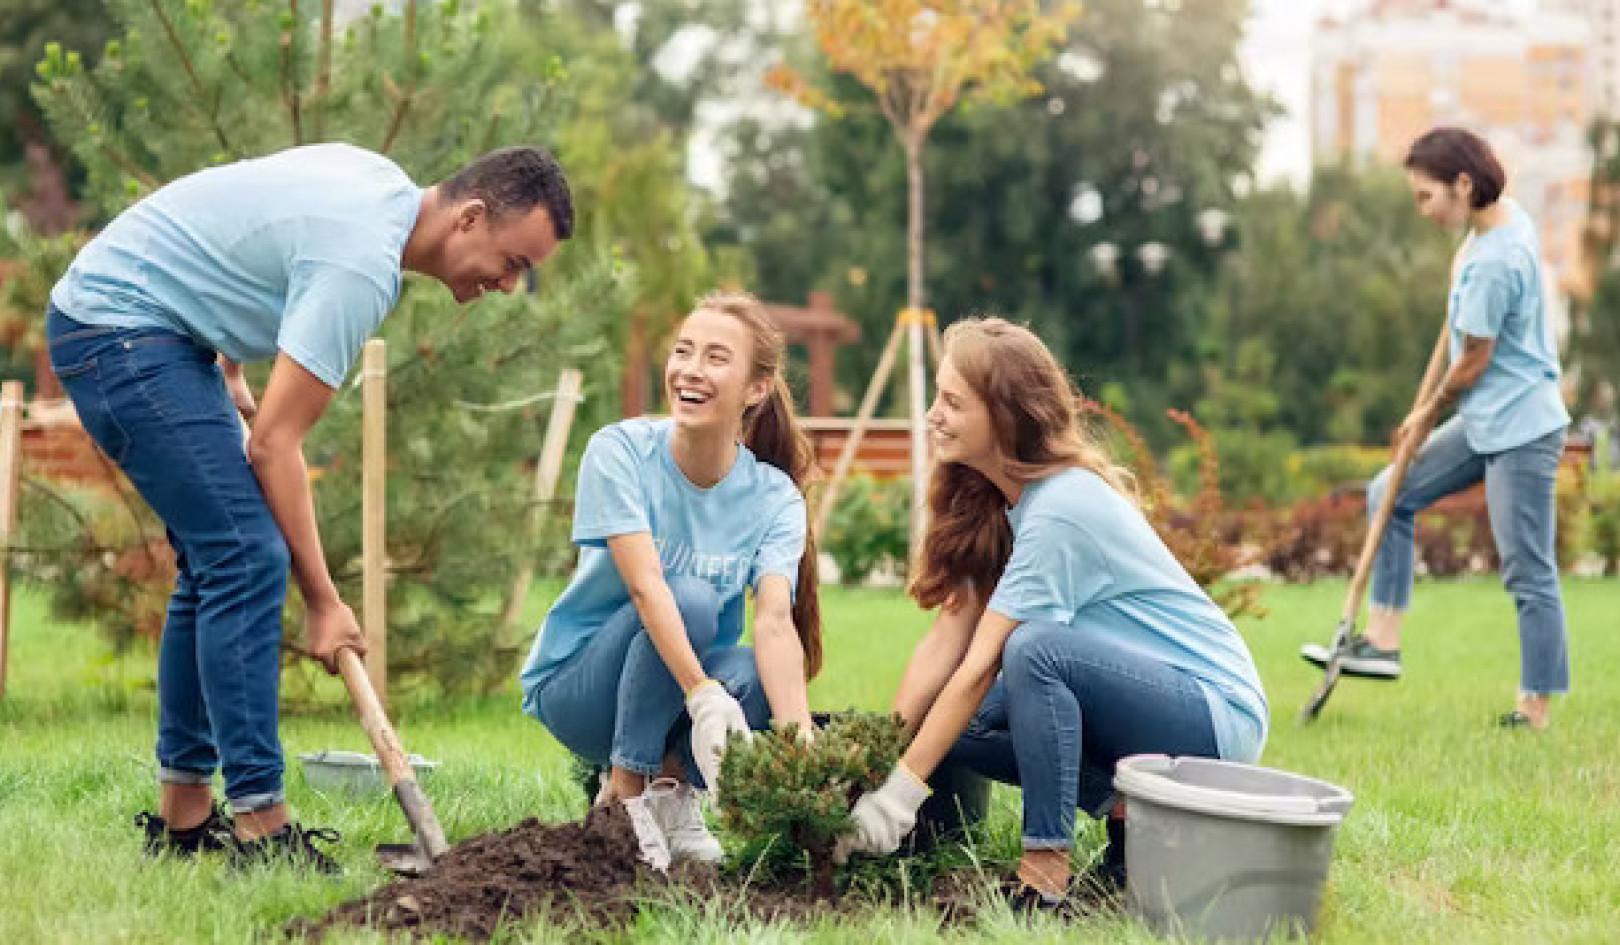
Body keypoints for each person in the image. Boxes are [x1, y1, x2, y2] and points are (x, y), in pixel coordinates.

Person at [46, 143, 574, 871]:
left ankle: (184, 821)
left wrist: (228, 358)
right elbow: (274, 447)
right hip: (122, 328)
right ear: (471, 217)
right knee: (246, 555)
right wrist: (324, 603)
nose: (511, 285)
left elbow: (247, 220)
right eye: (513, 261)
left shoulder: (380, 185)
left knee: (215, 561)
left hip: (148, 323)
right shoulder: (362, 264)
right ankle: (262, 828)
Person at [832, 318, 1269, 909]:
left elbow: (982, 664)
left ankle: (1045, 868)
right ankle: (1130, 821)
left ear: (1005, 418)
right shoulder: (999, 502)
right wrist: (872, 763)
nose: (933, 414)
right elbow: (947, 640)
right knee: (959, 720)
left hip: (1213, 714)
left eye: (953, 403)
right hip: (1145, 711)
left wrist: (897, 799)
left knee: (1035, 652)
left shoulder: (1061, 508)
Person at [518, 290, 821, 869]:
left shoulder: (774, 497)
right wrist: (703, 693)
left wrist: (799, 752)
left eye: (715, 357)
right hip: (582, 689)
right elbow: (646, 588)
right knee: (691, 598)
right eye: (683, 352)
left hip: (671, 689)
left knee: (760, 673)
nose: (690, 370)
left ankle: (670, 791)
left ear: (756, 389)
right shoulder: (621, 451)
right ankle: (623, 799)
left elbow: (776, 623)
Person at [1301, 127, 1571, 731]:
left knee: (1529, 570)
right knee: (1388, 492)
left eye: (1427, 197)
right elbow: (1463, 340)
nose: (1422, 211)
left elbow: (1474, 359)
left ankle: (1536, 708)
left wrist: (1425, 415)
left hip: (1522, 428)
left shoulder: (1497, 259)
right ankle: (1383, 639)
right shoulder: (1494, 226)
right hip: (1485, 421)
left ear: (1463, 185)